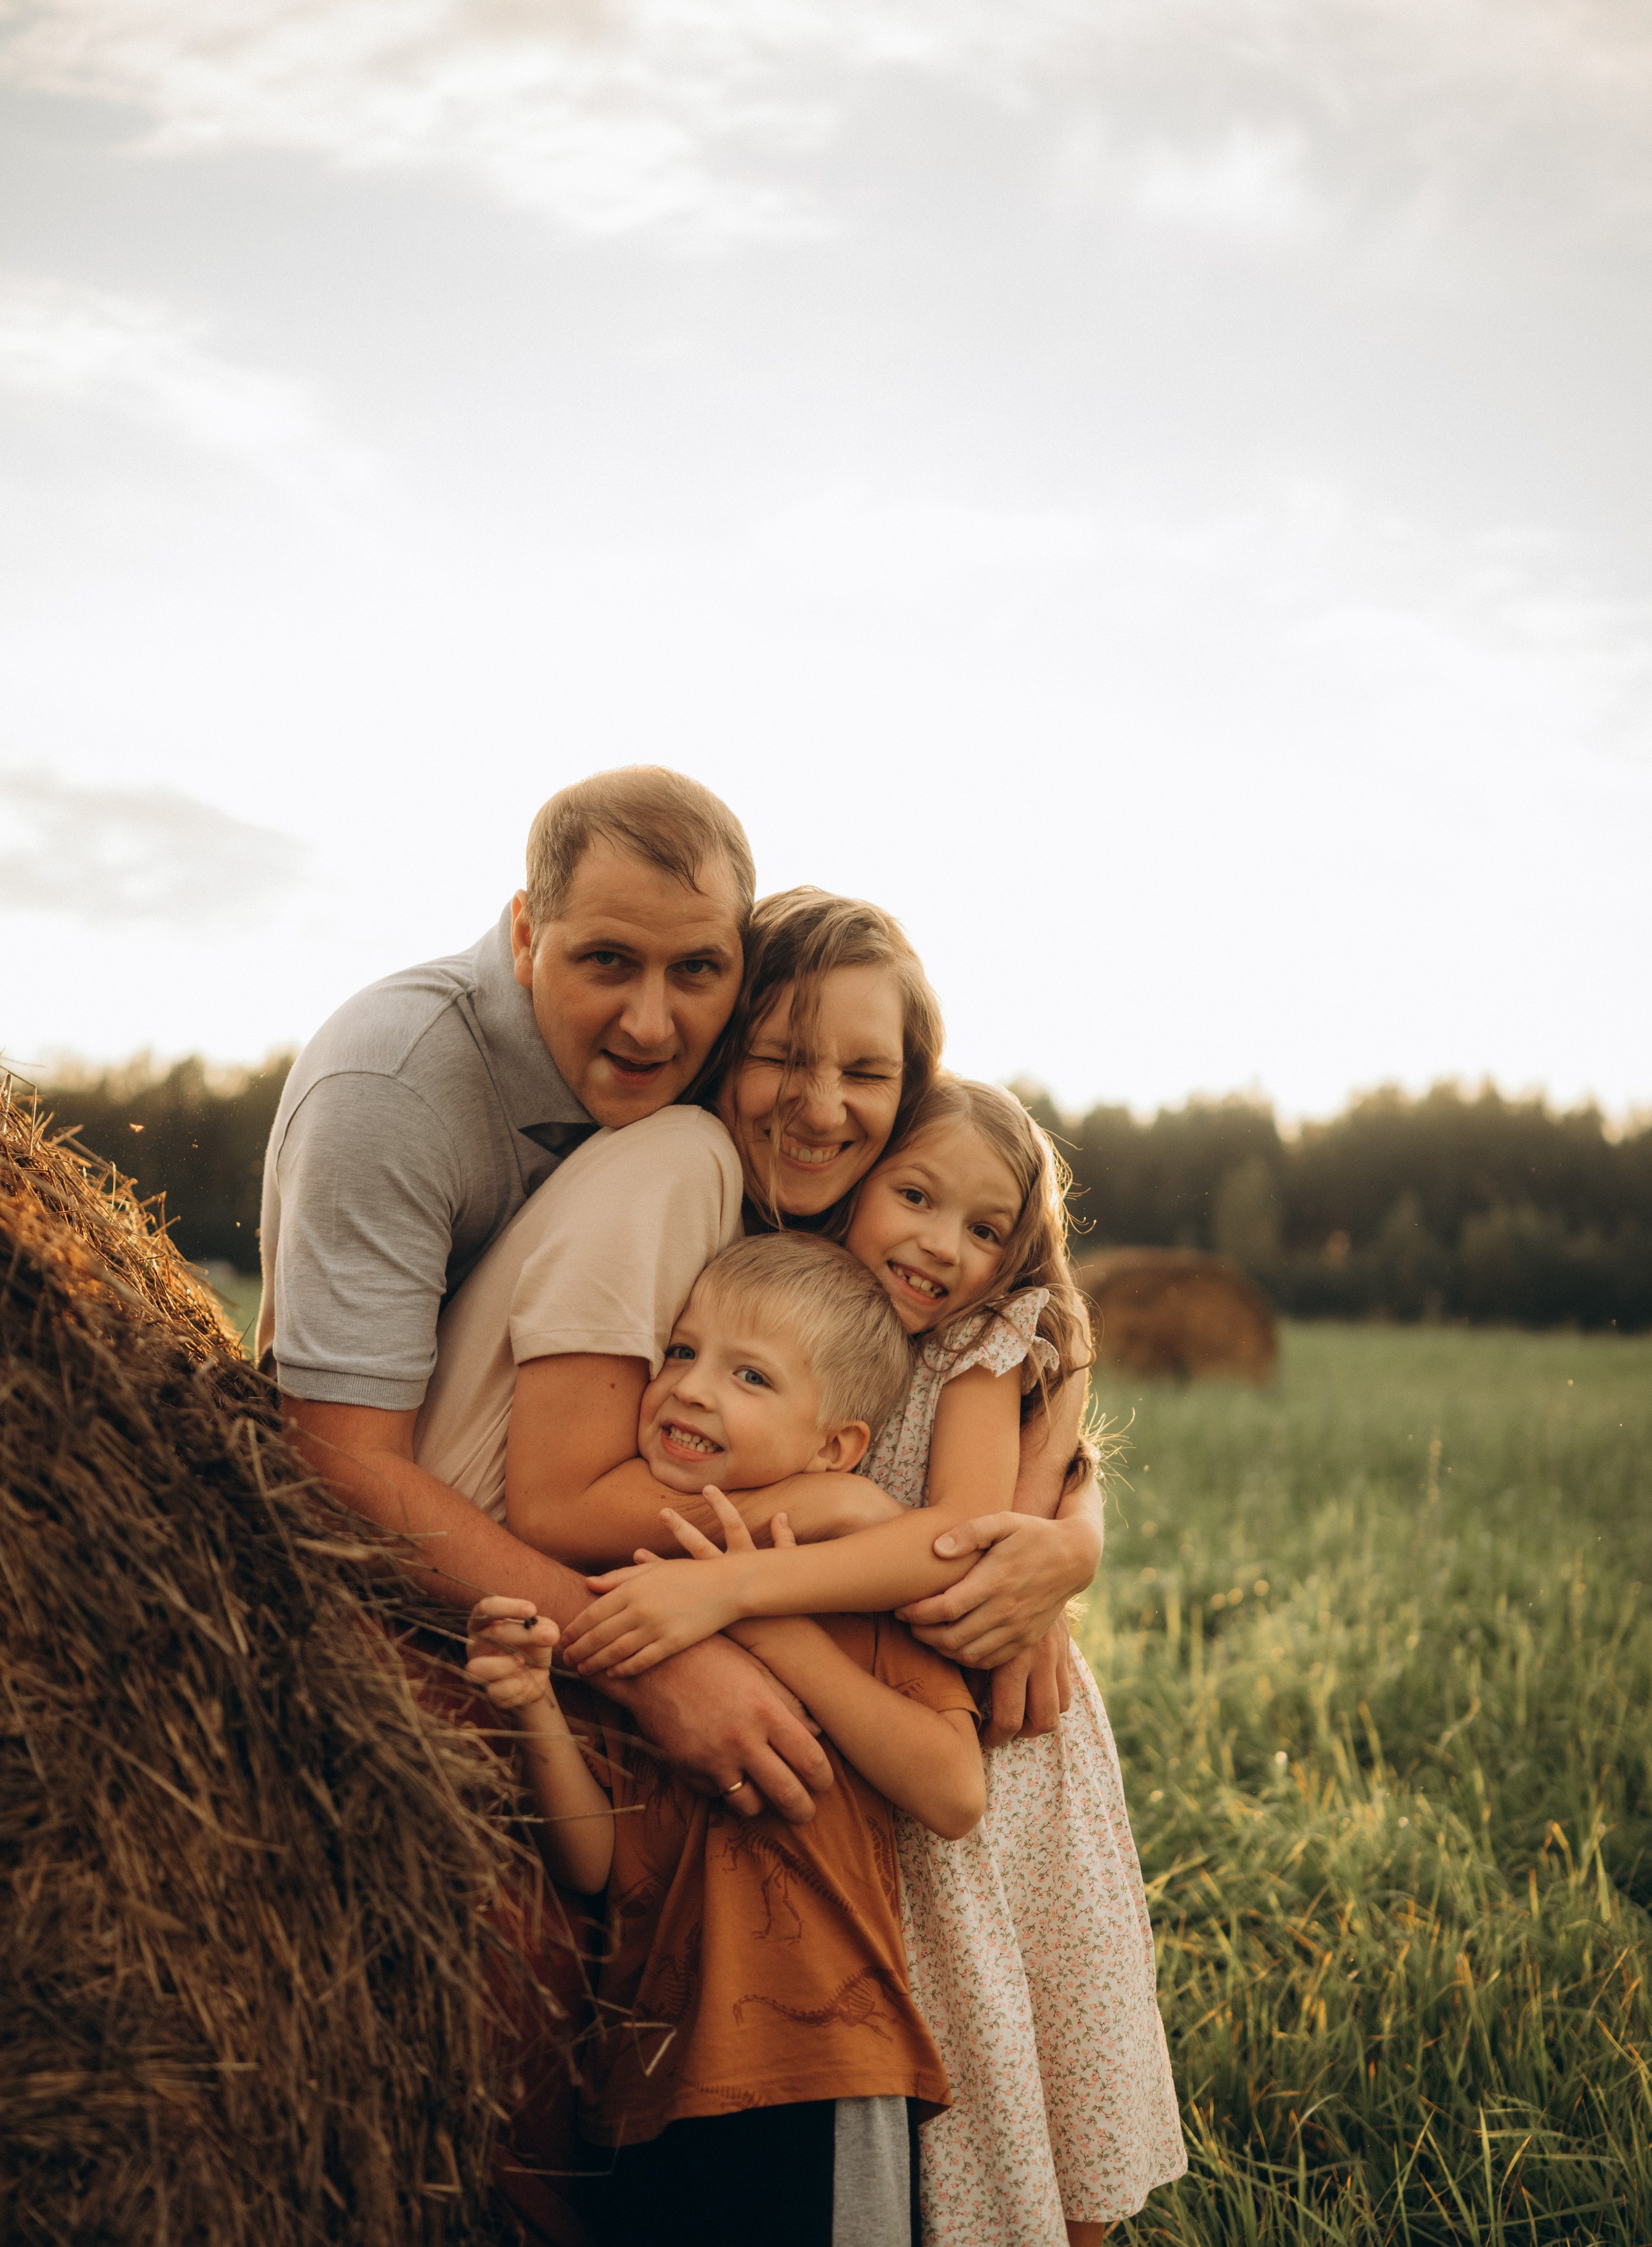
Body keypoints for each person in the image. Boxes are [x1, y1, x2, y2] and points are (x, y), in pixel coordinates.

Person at [561, 1079, 1188, 2244]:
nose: (942, 1244)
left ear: (1015, 1252)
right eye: (914, 1195)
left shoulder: (974, 1345)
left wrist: (732, 1587)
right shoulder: (775, 1302)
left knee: (1020, 2045)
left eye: (986, 1228)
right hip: (878, 1742)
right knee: (949, 2064)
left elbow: (950, 1542)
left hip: (993, 1756)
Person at [256, 767, 832, 1818]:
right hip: (429, 1514)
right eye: (606, 961)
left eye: (697, 968)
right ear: (526, 936)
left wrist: (1066, 1502)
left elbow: (948, 1198)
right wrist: (649, 1661)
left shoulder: (709, 1044)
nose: (653, 1026)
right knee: (692, 1149)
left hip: (585, 1474)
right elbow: (340, 1457)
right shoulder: (389, 1090)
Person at [463, 1232, 985, 2247]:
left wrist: (756, 1620)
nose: (691, 1389)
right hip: (644, 2084)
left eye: (748, 1374)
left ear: (838, 1447)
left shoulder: (868, 1588)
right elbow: (598, 1860)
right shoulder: (640, 1600)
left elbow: (954, 1788)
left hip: (823, 2070)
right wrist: (532, 1699)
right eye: (680, 1351)